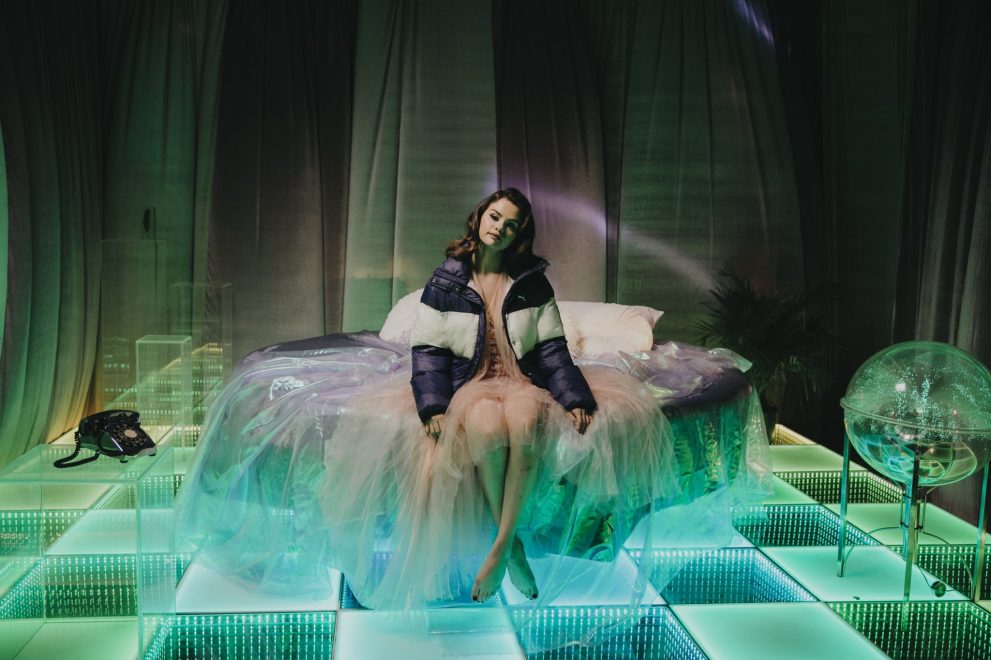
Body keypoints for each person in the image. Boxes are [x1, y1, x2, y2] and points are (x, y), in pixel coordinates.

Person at [411, 187, 596, 602]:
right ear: (480, 216)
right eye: (495, 217)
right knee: (487, 427)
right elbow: (428, 352)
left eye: (511, 225)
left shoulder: (532, 283)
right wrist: (433, 407)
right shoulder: (444, 283)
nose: (499, 228)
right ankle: (512, 551)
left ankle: (501, 547)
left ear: (519, 236)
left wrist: (574, 398)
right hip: (468, 382)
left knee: (526, 423)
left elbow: (551, 349)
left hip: (520, 379)